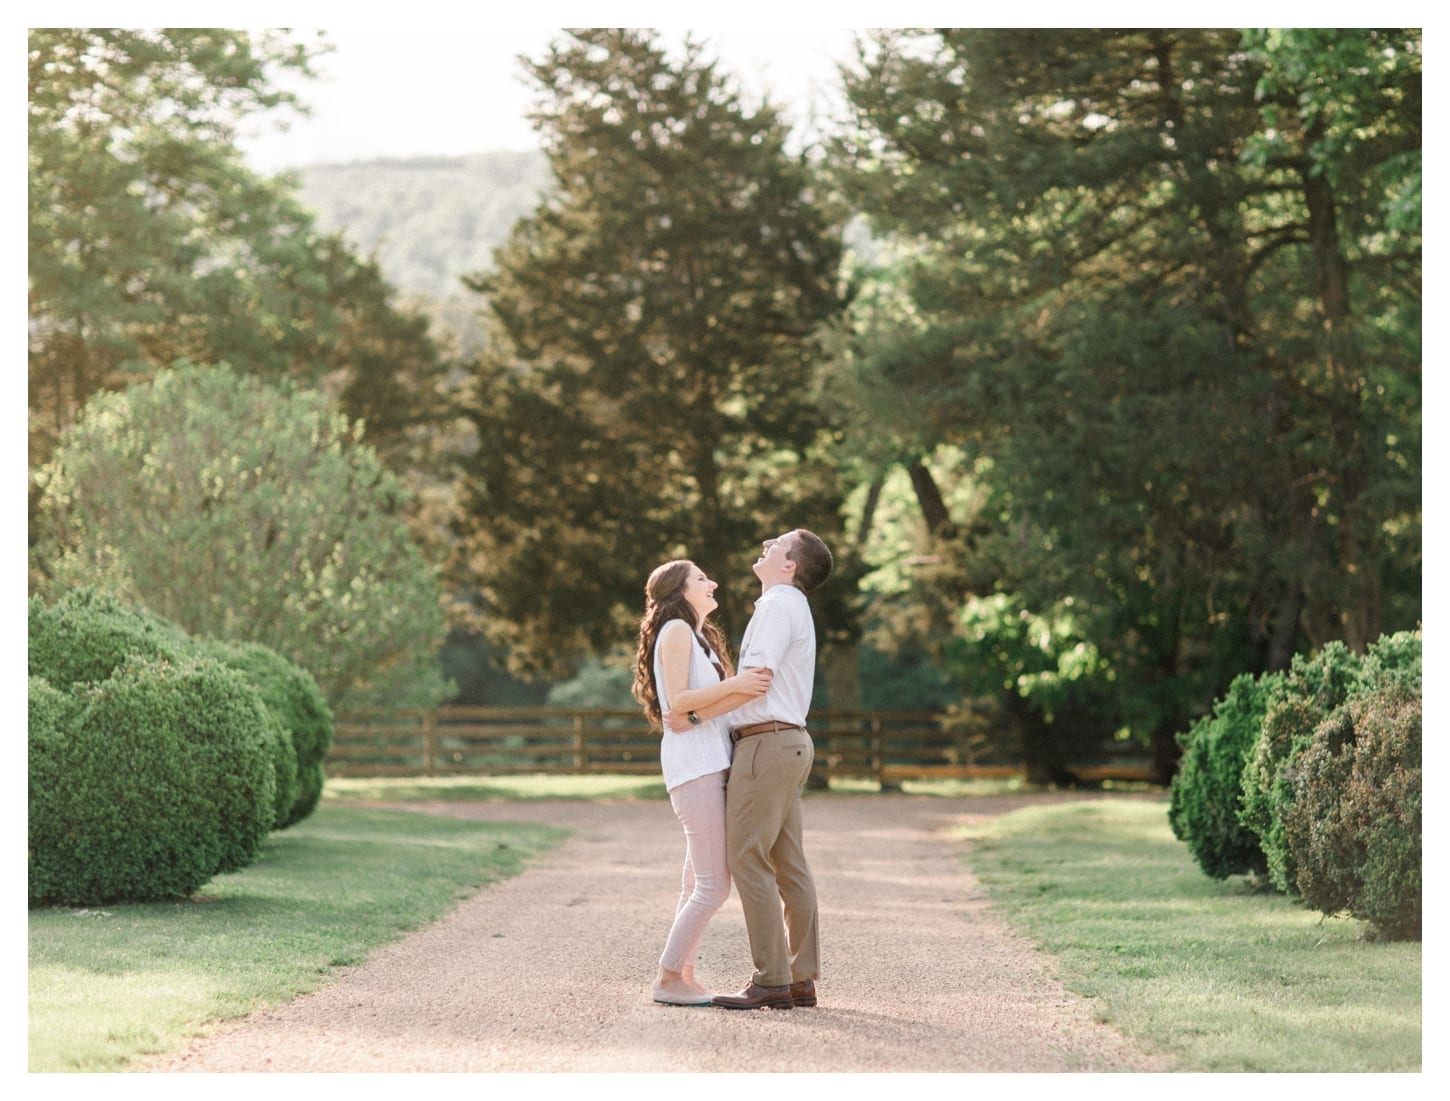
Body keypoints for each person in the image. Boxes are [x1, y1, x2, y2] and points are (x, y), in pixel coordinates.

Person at [665, 528, 833, 1011]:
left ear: (790, 566)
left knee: (746, 858)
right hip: (789, 743)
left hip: (766, 745)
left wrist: (694, 715)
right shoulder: (792, 606)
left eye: (776, 545)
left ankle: (771, 980)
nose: (766, 544)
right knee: (790, 864)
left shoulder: (778, 605)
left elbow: (754, 683)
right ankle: (800, 978)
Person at [632, 559, 773, 1007]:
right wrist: (739, 685)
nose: (712, 583)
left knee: (697, 880)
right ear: (679, 590)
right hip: (695, 767)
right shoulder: (675, 631)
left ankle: (682, 975)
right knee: (714, 884)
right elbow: (679, 704)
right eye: (700, 579)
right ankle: (668, 977)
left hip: (708, 760)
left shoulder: (696, 636)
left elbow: (689, 714)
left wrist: (736, 692)